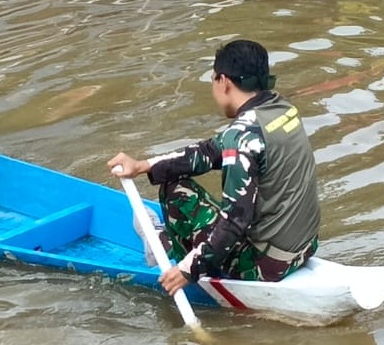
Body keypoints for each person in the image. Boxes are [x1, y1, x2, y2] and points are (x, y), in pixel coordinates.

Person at [108, 39, 321, 293]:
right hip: (306, 247)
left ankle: (163, 246)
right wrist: (143, 165)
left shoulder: (242, 135)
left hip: (268, 266)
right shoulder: (283, 110)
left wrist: (189, 270)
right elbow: (209, 152)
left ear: (224, 82)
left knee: (174, 188)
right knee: (178, 172)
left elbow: (235, 222)